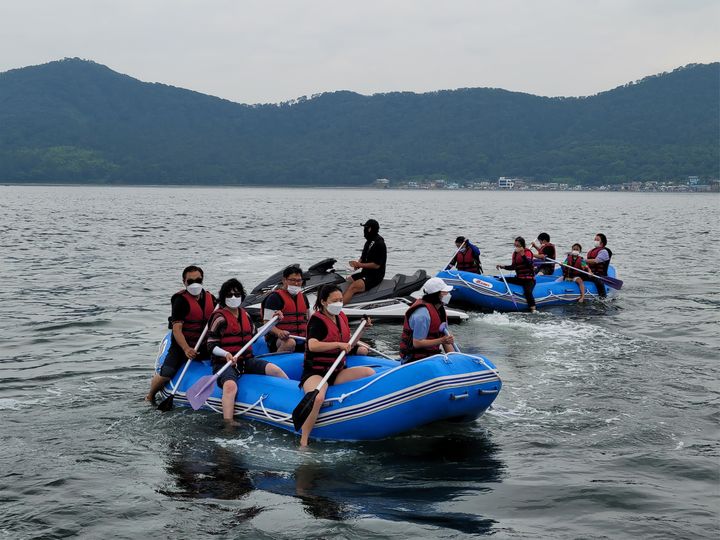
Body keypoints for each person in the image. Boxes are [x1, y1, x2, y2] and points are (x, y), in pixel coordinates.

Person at [299, 284, 374, 447]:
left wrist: (362, 330)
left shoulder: (341, 317)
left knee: (368, 373)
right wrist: (337, 344)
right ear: (324, 302)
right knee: (317, 398)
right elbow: (313, 345)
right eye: (335, 300)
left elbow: (349, 343)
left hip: (337, 370)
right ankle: (303, 441)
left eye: (341, 300)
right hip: (316, 373)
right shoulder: (317, 321)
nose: (339, 303)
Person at [207, 278, 288, 424]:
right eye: (230, 295)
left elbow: (256, 335)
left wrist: (274, 321)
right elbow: (211, 345)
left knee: (275, 370)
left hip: (245, 360)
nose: (234, 298)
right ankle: (228, 421)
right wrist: (226, 354)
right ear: (223, 297)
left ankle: (293, 399)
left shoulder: (245, 315)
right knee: (230, 386)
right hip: (225, 363)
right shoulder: (218, 317)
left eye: (237, 295)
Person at [146, 265, 216, 403]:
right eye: (190, 281)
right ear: (184, 282)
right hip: (182, 346)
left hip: (202, 344)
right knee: (167, 374)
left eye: (198, 280)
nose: (195, 284)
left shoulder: (211, 298)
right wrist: (186, 349)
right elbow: (177, 329)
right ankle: (150, 396)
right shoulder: (180, 301)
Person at [399, 277, 455, 363]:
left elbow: (445, 340)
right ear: (436, 294)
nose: (448, 294)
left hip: (431, 356)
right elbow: (417, 343)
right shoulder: (422, 314)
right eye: (444, 292)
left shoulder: (440, 310)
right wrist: (441, 340)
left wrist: (455, 358)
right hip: (413, 359)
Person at [261, 265, 311, 353]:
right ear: (284, 280)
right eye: (292, 280)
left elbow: (308, 319)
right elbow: (266, 323)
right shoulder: (274, 298)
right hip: (279, 339)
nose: (296, 283)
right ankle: (277, 361)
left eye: (299, 280)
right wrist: (279, 332)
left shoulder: (303, 297)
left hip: (301, 338)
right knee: (290, 342)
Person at [343, 219, 387, 304]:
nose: (364, 231)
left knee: (353, 287)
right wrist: (356, 265)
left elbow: (376, 265)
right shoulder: (368, 242)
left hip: (375, 276)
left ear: (370, 229)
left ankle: (339, 309)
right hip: (365, 273)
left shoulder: (380, 243)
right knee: (347, 281)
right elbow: (363, 257)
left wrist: (360, 264)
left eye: (365, 228)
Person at [496, 237, 536, 312]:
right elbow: (513, 267)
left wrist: (522, 254)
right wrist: (503, 266)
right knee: (501, 280)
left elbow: (529, 265)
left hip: (529, 280)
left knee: (527, 292)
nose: (516, 247)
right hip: (519, 278)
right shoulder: (515, 254)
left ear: (522, 245)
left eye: (518, 245)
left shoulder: (528, 252)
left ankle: (533, 308)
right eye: (515, 245)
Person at [586, 233, 612, 298]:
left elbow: (595, 261)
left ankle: (603, 297)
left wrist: (582, 260)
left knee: (598, 280)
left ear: (602, 242)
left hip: (600, 275)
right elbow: (587, 263)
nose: (595, 241)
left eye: (597, 239)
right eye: (595, 239)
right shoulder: (591, 251)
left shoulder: (604, 252)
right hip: (590, 273)